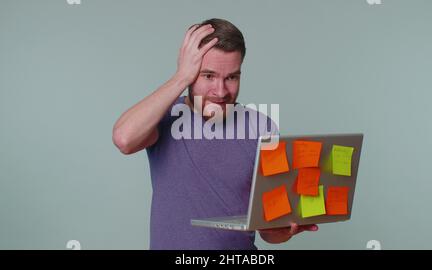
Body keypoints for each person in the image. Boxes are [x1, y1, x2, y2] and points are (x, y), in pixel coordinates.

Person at [112, 18, 318, 250]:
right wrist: (180, 77)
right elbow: (124, 139)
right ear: (190, 72)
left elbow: (270, 232)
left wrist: (282, 230)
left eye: (231, 77)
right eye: (208, 76)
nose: (221, 91)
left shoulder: (262, 127)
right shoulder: (164, 116)